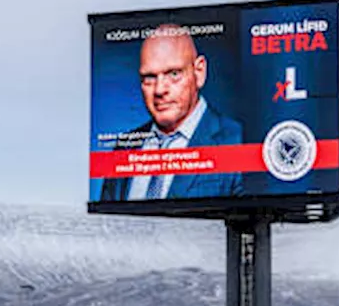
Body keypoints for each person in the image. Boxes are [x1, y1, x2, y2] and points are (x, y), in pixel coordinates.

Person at [99, 25, 243, 201]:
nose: (160, 90)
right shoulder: (122, 150)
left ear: (199, 72)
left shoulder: (240, 143)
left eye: (174, 74)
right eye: (149, 78)